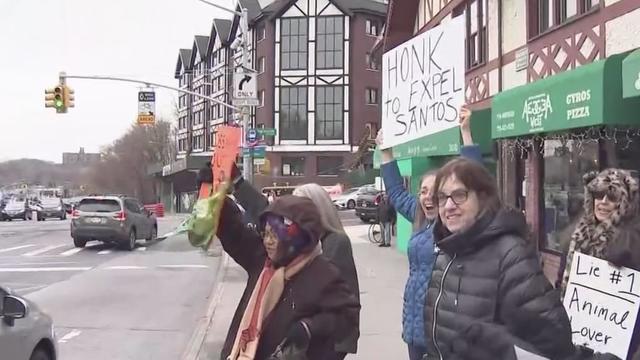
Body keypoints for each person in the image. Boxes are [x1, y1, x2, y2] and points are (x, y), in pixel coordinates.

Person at [423, 157, 575, 360]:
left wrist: (501, 349)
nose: (448, 206)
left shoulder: (511, 255)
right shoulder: (447, 250)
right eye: (442, 198)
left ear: (483, 197)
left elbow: (554, 341)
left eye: (459, 195)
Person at [209, 167, 360, 359]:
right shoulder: (264, 261)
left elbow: (345, 319)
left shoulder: (322, 274)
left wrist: (309, 328)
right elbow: (235, 232)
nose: (268, 241)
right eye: (266, 233)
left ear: (297, 235)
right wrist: (215, 197)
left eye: (276, 234)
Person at [376, 106, 481, 360]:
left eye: (434, 192)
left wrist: (465, 133)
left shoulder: (455, 224)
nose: (426, 197)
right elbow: (396, 192)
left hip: (443, 329)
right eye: (422, 191)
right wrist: (386, 151)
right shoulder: (419, 216)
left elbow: (474, 183)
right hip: (415, 326)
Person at [560, 169, 640, 359]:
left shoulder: (634, 242)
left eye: (611, 196)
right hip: (577, 337)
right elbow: (562, 284)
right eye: (598, 194)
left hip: (621, 345)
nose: (603, 201)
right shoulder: (576, 237)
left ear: (624, 204)